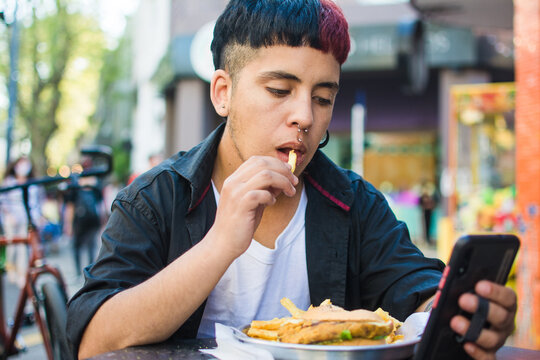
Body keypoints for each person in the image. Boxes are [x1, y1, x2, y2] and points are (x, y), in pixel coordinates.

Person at [67, 1, 518, 359]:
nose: (304, 116)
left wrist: (464, 313)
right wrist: (220, 244)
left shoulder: (351, 201)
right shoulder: (156, 197)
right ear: (223, 93)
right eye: (280, 91)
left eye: (323, 98)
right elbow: (91, 343)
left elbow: (416, 292)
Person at [62, 157, 106, 277]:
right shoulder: (94, 183)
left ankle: (83, 272)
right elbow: (101, 204)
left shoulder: (79, 183)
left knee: (84, 246)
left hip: (85, 219)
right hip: (88, 219)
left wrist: (68, 224)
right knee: (86, 246)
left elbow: (70, 206)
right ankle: (86, 273)